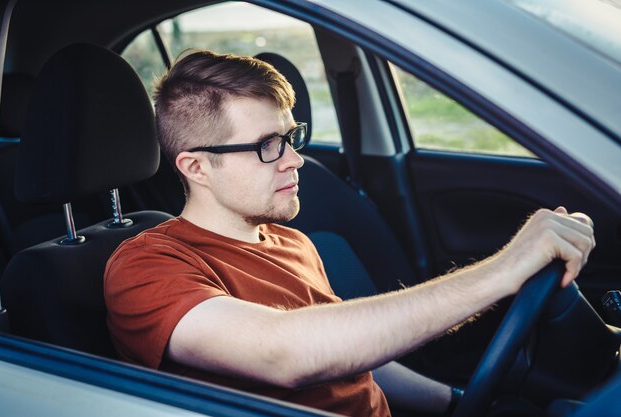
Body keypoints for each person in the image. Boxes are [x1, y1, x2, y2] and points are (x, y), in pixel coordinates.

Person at [104, 50, 595, 417]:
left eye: (291, 137)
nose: (295, 160)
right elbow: (287, 354)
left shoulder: (292, 242)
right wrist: (505, 269)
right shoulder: (144, 267)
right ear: (196, 167)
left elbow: (353, 362)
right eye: (268, 146)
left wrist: (459, 403)